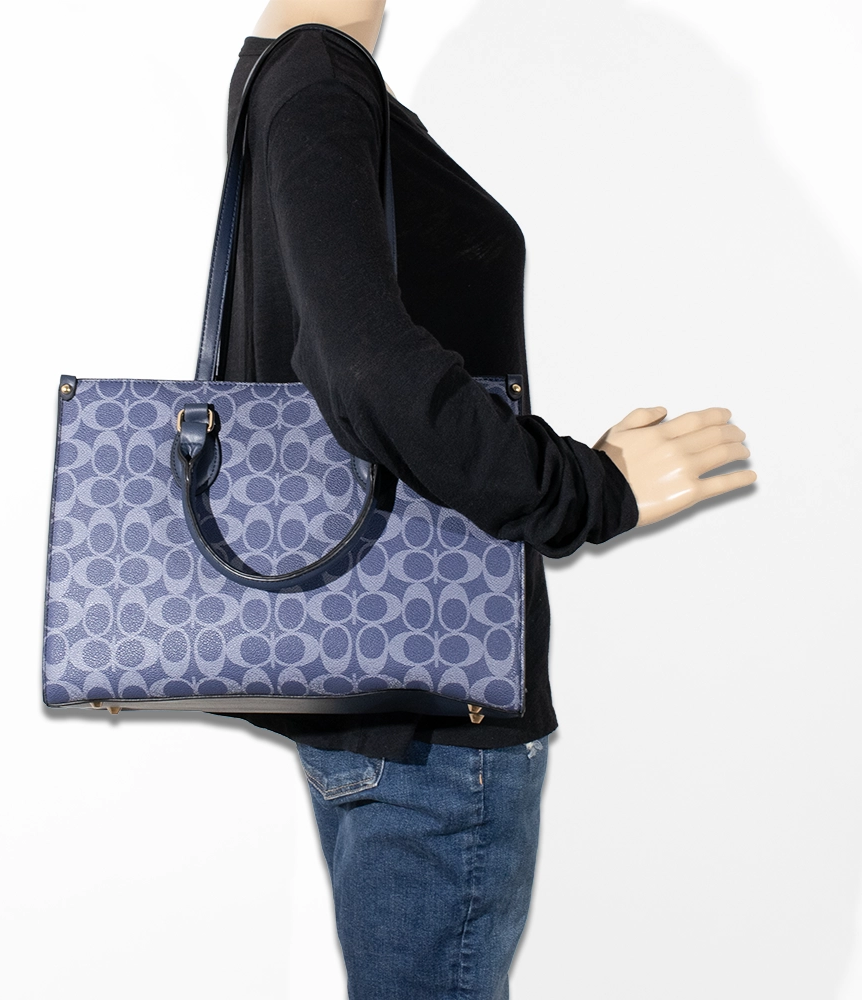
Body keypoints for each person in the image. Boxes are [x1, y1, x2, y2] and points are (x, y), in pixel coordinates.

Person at [215, 3, 757, 997]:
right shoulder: (319, 78)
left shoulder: (289, 78)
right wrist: (588, 489)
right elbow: (367, 369)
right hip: (438, 712)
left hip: (379, 688)